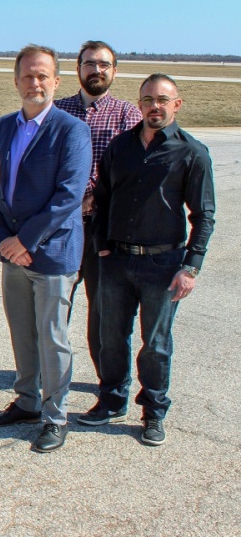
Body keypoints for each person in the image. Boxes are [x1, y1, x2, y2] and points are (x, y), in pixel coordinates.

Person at [87, 74, 215, 445]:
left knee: (155, 343)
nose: (154, 106)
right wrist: (102, 244)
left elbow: (204, 215)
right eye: (147, 100)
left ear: (176, 105)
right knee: (110, 337)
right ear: (139, 104)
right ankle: (111, 400)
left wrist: (191, 267)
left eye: (162, 100)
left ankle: (153, 412)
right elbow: (102, 199)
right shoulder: (120, 147)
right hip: (116, 260)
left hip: (164, 265)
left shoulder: (191, 152)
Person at [0, 45, 92, 453]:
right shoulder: (2, 127)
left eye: (43, 75)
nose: (35, 83)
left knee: (52, 337)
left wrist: (25, 241)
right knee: (22, 333)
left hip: (52, 255)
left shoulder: (71, 129)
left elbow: (68, 196)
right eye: (28, 75)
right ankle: (27, 401)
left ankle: (56, 415)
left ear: (57, 82)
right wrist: (3, 240)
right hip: (12, 254)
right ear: (16, 80)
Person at [54, 40, 141, 383]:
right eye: (90, 63)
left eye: (104, 64)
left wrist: (93, 196)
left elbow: (130, 171)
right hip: (62, 225)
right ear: (78, 69)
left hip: (105, 227)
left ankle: (109, 381)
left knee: (103, 310)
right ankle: (51, 372)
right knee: (55, 305)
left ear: (114, 71)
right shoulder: (58, 110)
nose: (97, 70)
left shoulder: (126, 114)